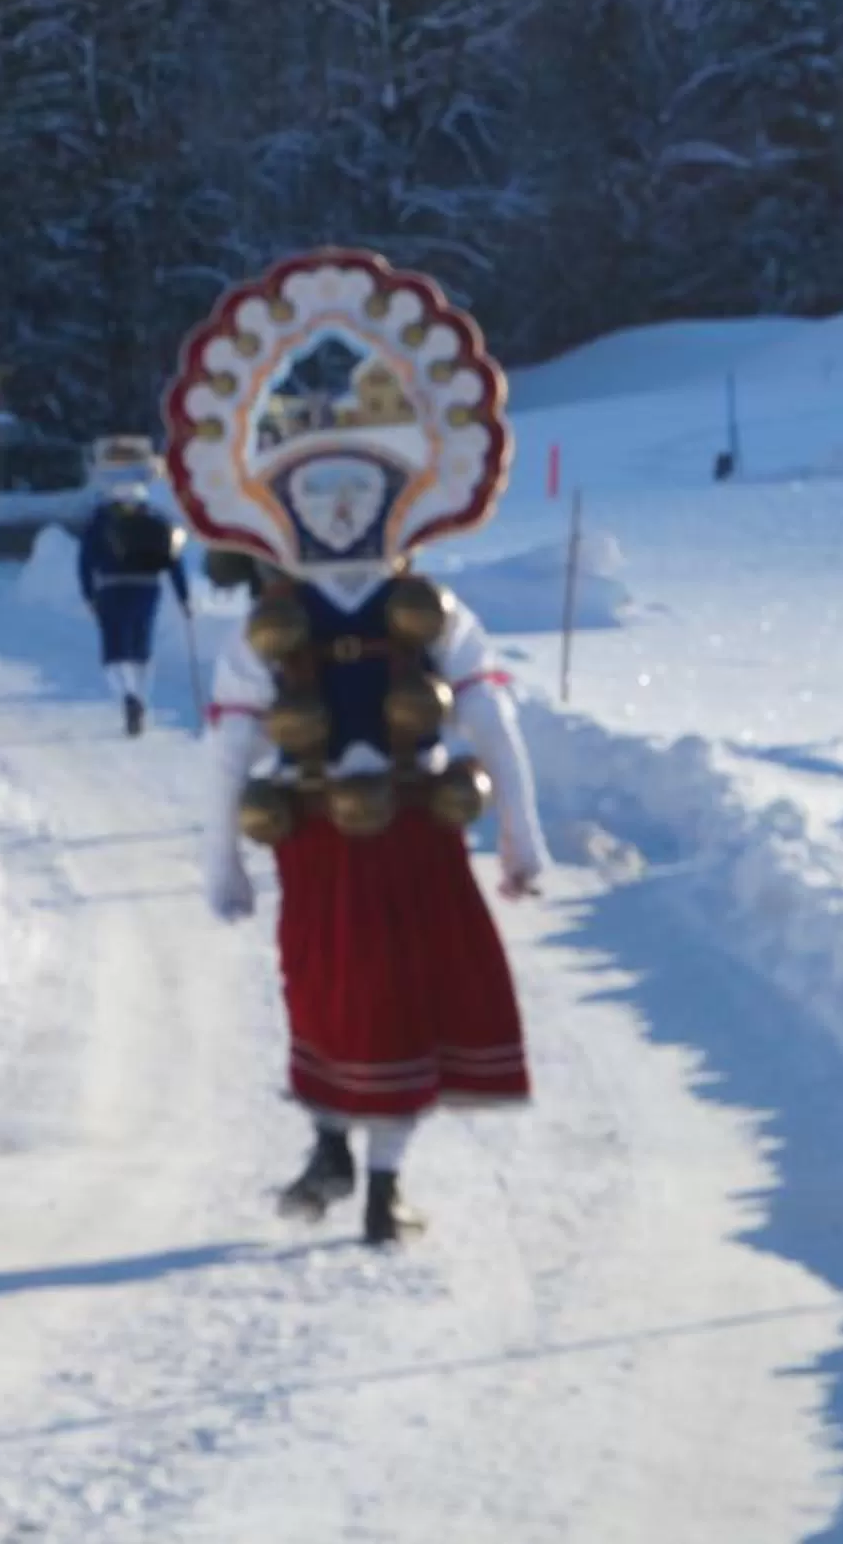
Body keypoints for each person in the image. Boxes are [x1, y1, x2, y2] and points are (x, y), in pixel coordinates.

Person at [165, 247, 555, 1247]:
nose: (339, 511)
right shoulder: (429, 610)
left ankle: (348, 1156)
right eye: (326, 497)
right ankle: (372, 1177)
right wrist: (520, 835)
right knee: (395, 1002)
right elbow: (491, 719)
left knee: (334, 993)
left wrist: (220, 863)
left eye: (348, 496)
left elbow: (227, 753)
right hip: (405, 831)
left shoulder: (275, 623)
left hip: (335, 839)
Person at [75, 448, 188, 736]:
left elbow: (85, 560)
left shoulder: (100, 521)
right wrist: (184, 596)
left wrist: (88, 593)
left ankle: (126, 696)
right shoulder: (157, 520)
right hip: (147, 589)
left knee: (113, 650)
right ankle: (140, 696)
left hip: (111, 589)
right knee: (141, 648)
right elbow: (174, 560)